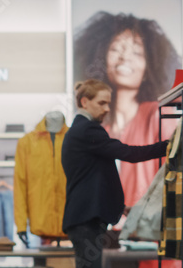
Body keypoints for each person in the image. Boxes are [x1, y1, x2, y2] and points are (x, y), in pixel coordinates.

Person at [45, 79, 168, 268]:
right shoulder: (88, 131)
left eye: (108, 102)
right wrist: (171, 145)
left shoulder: (80, 134)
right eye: (101, 102)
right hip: (85, 222)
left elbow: (94, 179)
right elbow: (130, 154)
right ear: (84, 102)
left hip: (87, 220)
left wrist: (120, 206)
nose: (106, 108)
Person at [73, 11, 180, 207]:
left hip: (146, 223)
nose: (125, 58)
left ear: (149, 66)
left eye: (137, 52)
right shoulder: (94, 129)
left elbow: (172, 169)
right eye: (116, 49)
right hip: (107, 222)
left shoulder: (158, 116)